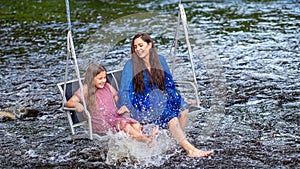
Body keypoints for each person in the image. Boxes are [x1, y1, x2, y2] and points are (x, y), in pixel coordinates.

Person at [117, 33, 214, 158]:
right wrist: (126, 106)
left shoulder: (160, 60)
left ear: (149, 45)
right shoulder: (130, 65)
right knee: (172, 118)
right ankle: (190, 149)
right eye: (135, 47)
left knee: (183, 107)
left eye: (141, 45)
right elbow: (124, 90)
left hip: (159, 97)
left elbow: (169, 84)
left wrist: (177, 98)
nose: (138, 49)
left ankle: (175, 142)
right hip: (142, 102)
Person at [66, 63, 158, 145]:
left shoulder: (107, 86)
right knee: (123, 123)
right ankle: (146, 139)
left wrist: (120, 105)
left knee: (136, 125)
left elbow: (116, 96)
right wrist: (78, 105)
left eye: (104, 77)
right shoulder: (85, 89)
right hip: (101, 122)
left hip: (113, 116)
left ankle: (137, 148)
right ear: (91, 78)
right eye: (100, 78)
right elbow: (69, 102)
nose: (103, 80)